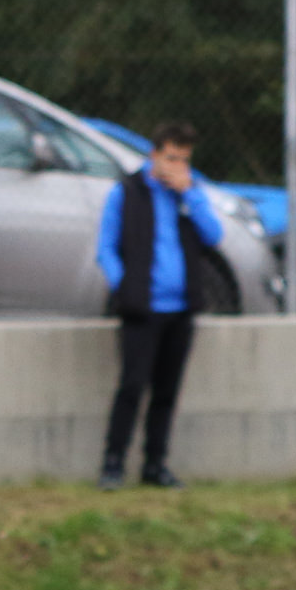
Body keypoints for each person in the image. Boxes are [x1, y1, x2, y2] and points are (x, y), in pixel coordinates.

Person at [94, 121, 227, 491]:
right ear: (153, 155)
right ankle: (113, 463)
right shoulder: (127, 193)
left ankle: (155, 464)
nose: (176, 167)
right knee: (132, 386)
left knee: (166, 391)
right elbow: (105, 248)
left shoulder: (189, 194)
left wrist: (191, 195)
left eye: (184, 160)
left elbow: (213, 236)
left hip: (180, 309)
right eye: (170, 158)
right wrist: (125, 285)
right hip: (142, 308)